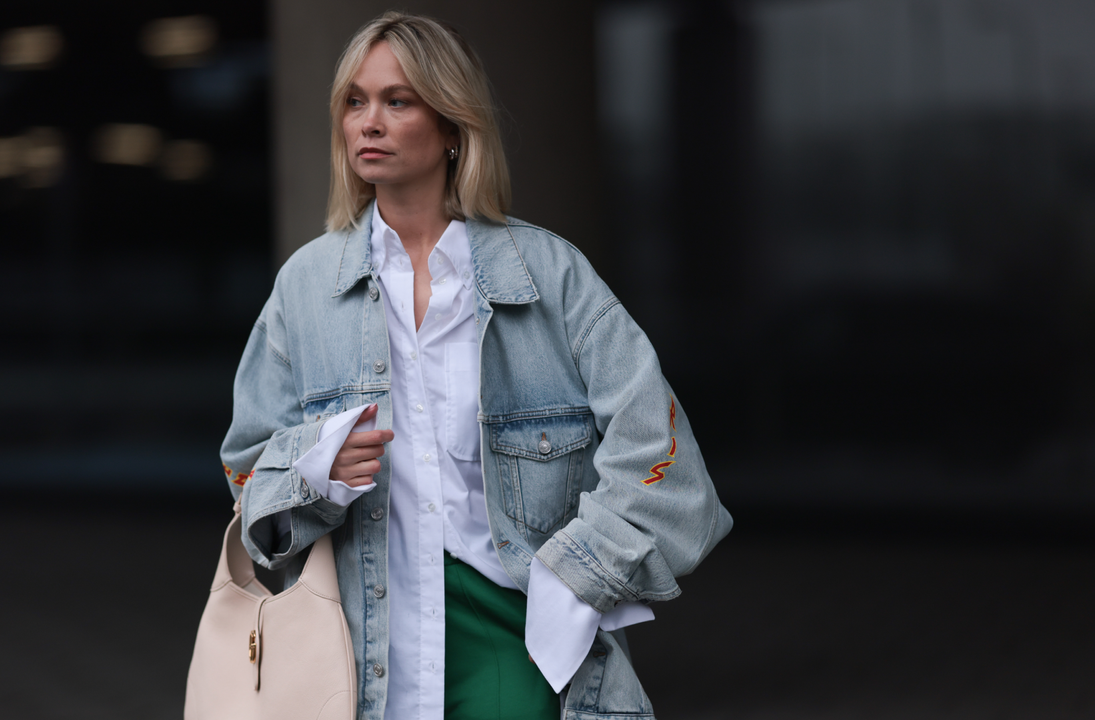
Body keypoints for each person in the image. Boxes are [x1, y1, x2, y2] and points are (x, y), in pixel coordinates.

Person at [220, 12, 731, 720]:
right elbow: (247, 474)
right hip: (360, 654)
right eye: (354, 101)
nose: (368, 121)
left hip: (512, 638)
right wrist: (314, 473)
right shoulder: (305, 288)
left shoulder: (549, 275)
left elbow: (666, 464)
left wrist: (574, 580)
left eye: (397, 101)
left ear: (453, 125)